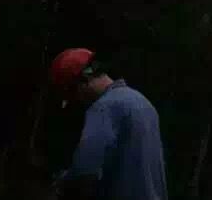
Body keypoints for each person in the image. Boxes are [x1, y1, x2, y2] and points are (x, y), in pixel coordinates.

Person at [50, 48, 167, 200]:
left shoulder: (104, 107)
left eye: (73, 94)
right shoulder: (144, 103)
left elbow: (85, 170)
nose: (79, 101)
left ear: (82, 81)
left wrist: (64, 183)